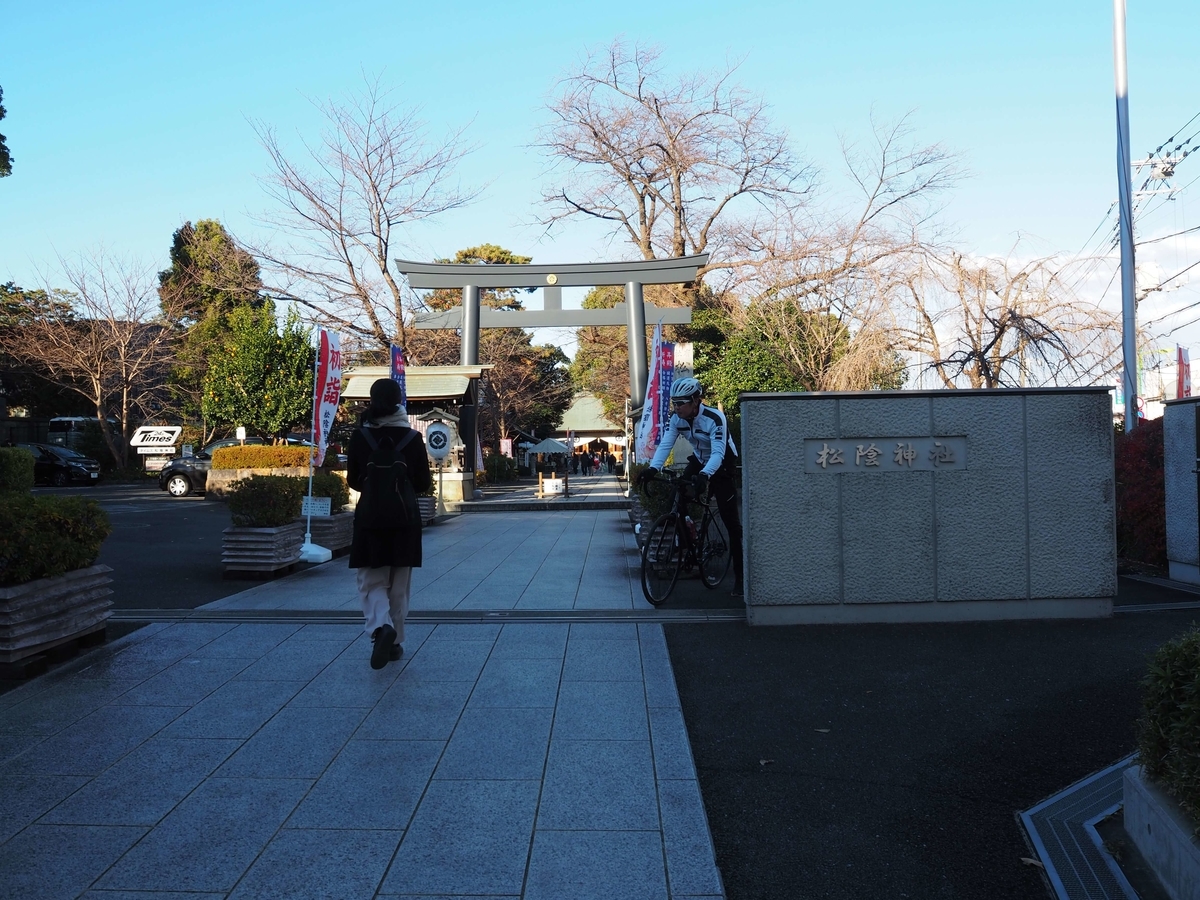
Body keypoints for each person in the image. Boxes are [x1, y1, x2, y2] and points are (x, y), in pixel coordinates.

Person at [346, 378, 432, 669]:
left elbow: (353, 481)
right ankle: (395, 644)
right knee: (399, 585)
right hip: (405, 520)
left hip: (371, 519)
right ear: (398, 402)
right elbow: (423, 483)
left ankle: (382, 628)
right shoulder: (412, 438)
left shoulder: (360, 436)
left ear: (371, 400)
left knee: (371, 581)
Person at [635, 376, 743, 595]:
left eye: (681, 403)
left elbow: (718, 453)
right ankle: (689, 543)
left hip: (722, 463)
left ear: (696, 400)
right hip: (700, 459)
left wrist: (704, 476)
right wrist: (653, 468)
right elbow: (666, 444)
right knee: (679, 494)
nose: (677, 408)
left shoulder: (714, 418)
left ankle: (740, 579)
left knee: (731, 523)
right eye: (674, 403)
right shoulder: (677, 419)